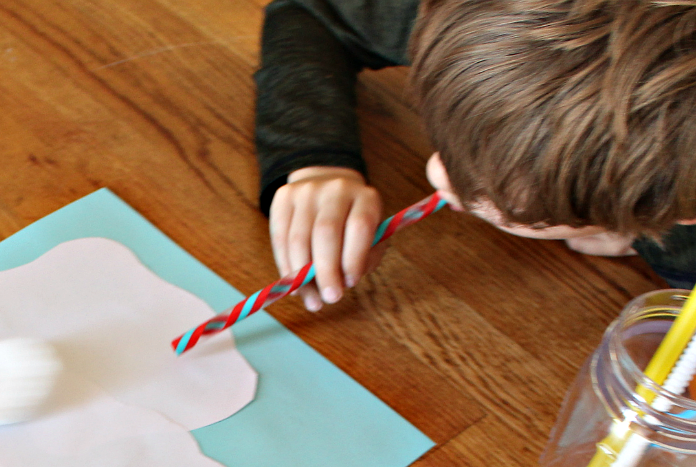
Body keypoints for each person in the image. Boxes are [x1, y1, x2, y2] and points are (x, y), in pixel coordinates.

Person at [254, 0, 696, 312]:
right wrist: (317, 161)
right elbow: (313, 11)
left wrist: (645, 233)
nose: (436, 173)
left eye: (504, 200)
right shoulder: (502, 16)